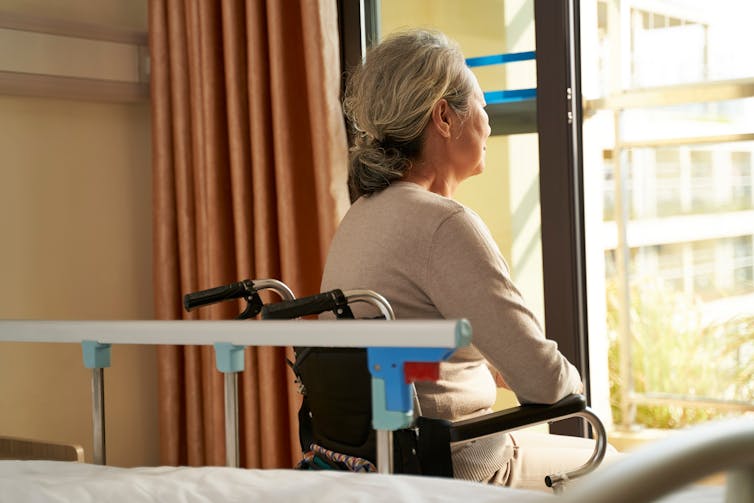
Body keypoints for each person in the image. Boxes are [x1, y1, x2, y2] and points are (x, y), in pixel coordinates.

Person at [320, 28, 604, 491]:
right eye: (482, 106)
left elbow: (405, 350)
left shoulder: (360, 216)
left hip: (379, 465)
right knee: (632, 472)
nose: (489, 123)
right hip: (458, 467)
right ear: (444, 117)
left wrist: (483, 362)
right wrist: (569, 377)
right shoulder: (444, 225)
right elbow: (548, 384)